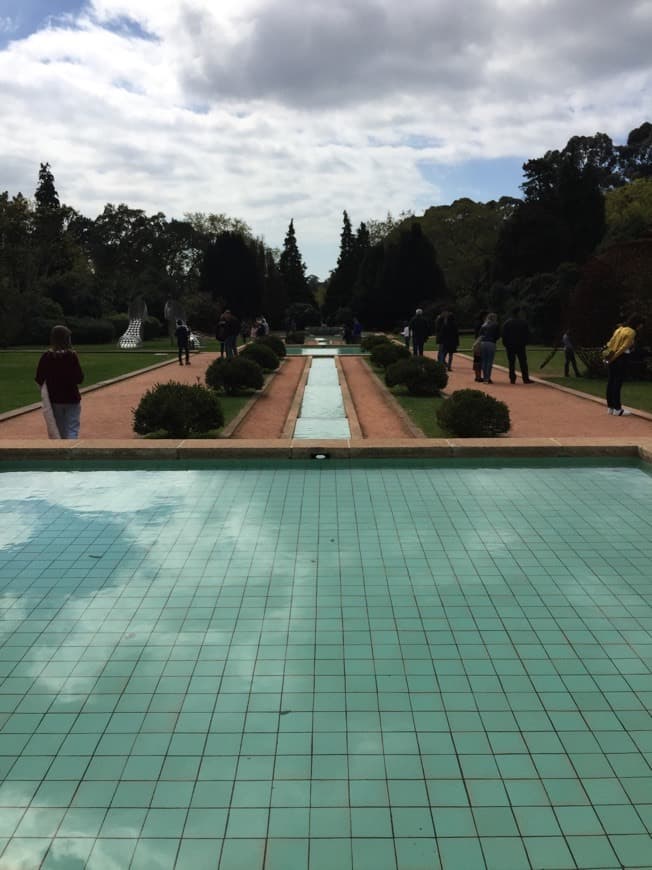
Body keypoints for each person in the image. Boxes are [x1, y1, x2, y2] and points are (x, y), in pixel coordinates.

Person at [35, 325, 84, 439]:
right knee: (72, 428)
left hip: (55, 399)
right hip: (72, 398)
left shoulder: (46, 356)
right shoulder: (72, 356)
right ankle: (71, 450)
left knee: (59, 429)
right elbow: (80, 378)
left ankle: (61, 452)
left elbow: (39, 378)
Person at [603, 314, 645, 416]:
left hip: (612, 356)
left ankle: (610, 407)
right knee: (617, 382)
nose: (641, 327)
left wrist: (608, 357)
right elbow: (623, 347)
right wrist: (615, 357)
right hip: (620, 358)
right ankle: (617, 408)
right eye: (641, 325)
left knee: (611, 381)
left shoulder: (619, 329)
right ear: (638, 324)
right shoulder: (631, 332)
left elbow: (610, 342)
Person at [501, 307, 532, 384]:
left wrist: (505, 344)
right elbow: (527, 334)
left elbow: (504, 335)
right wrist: (525, 342)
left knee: (511, 363)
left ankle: (512, 379)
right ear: (518, 313)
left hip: (510, 345)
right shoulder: (523, 322)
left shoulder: (507, 323)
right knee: (523, 362)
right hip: (520, 345)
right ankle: (525, 379)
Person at [478, 312, 500, 383]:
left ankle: (484, 377)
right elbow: (498, 335)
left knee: (484, 361)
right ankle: (487, 378)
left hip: (483, 343)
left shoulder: (484, 325)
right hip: (491, 343)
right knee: (489, 361)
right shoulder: (495, 325)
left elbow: (480, 335)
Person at [472, 310, 487, 382]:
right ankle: (479, 376)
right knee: (480, 360)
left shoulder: (477, 323)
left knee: (477, 360)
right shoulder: (482, 324)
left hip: (476, 342)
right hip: (480, 342)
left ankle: (477, 376)